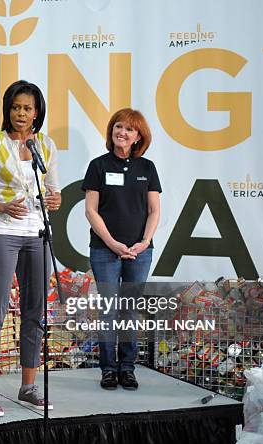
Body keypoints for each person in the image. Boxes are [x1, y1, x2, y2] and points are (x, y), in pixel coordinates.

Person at [0, 80, 61, 417]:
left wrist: (55, 199)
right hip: (0, 234)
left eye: (28, 108)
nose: (21, 114)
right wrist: (1, 207)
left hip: (36, 234)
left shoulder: (45, 145)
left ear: (37, 112)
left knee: (35, 310)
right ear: (8, 109)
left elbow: (53, 190)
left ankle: (28, 386)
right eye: (16, 107)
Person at [82, 108, 161, 391]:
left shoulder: (147, 168)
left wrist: (143, 242)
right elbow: (91, 211)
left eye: (129, 129)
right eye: (118, 127)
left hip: (140, 252)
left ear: (138, 136)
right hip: (105, 250)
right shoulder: (98, 165)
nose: (122, 133)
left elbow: (154, 211)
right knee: (107, 311)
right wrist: (113, 243)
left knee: (129, 311)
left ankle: (127, 368)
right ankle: (108, 369)